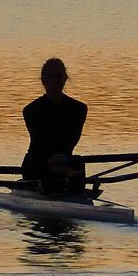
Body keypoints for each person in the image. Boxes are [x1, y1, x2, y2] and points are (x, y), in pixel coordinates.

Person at [21, 57, 88, 193]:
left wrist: (61, 160)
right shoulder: (30, 110)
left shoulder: (79, 109)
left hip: (65, 162)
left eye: (58, 76)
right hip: (38, 163)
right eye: (50, 76)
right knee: (55, 165)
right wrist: (51, 160)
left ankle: (73, 193)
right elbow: (40, 141)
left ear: (65, 79)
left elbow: (72, 140)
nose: (55, 81)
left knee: (78, 161)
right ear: (43, 80)